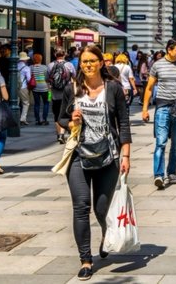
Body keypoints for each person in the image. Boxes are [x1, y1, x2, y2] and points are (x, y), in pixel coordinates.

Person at [58, 44, 131, 281]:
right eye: (84, 61)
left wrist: (126, 155)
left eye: (92, 61)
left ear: (101, 63)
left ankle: (105, 235)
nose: (88, 65)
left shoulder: (113, 88)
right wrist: (71, 122)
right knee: (81, 207)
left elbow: (124, 123)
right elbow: (60, 117)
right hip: (78, 156)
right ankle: (86, 260)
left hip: (108, 157)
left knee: (102, 209)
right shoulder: (73, 89)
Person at [141, 39, 176, 190]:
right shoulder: (158, 65)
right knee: (161, 142)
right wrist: (145, 109)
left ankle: (171, 172)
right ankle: (159, 174)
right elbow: (150, 87)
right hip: (163, 107)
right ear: (169, 50)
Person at [48, 50, 76, 144]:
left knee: (56, 114)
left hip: (55, 93)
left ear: (55, 55)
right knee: (66, 113)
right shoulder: (69, 65)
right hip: (67, 93)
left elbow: (47, 78)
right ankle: (63, 133)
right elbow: (74, 77)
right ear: (64, 55)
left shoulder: (50, 65)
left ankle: (59, 134)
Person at [30, 54, 49, 125]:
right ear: (41, 59)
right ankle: (44, 119)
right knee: (46, 103)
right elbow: (47, 77)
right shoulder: (45, 67)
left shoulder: (30, 67)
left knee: (37, 104)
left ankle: (37, 120)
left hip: (35, 88)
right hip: (45, 88)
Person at [17, 52, 33, 126]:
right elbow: (29, 79)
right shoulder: (26, 68)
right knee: (26, 103)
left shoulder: (15, 66)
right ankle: (22, 118)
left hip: (15, 87)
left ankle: (15, 117)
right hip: (23, 87)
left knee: (16, 103)